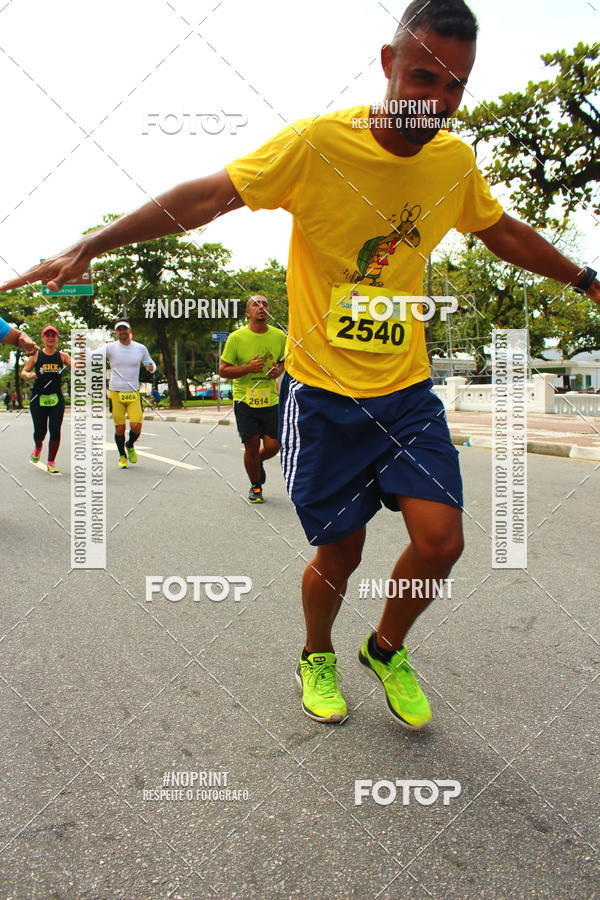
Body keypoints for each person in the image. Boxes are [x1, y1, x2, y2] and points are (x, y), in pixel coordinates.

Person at [3, 0, 599, 727]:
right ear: (387, 64)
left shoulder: (453, 161)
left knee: (442, 542)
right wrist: (97, 241)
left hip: (406, 393)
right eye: (423, 77)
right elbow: (213, 194)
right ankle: (317, 651)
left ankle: (385, 647)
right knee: (341, 553)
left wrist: (585, 281)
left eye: (455, 87)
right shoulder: (320, 145)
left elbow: (499, 228)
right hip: (321, 396)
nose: (437, 101)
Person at [219, 295, 286, 503]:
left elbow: (285, 361)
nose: (261, 307)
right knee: (251, 445)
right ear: (248, 312)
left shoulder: (279, 336)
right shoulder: (236, 338)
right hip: (245, 399)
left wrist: (278, 370)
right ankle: (256, 486)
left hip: (270, 399)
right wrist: (248, 368)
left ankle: (258, 463)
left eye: (265, 304)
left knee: (274, 445)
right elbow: (223, 370)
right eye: (255, 304)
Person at [105, 321, 156, 468]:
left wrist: (151, 367)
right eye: (119, 330)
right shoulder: (110, 348)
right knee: (120, 428)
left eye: (124, 329)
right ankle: (122, 456)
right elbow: (92, 357)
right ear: (116, 333)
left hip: (133, 393)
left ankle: (130, 444)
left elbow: (150, 365)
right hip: (115, 393)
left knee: (136, 426)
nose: (122, 332)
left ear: (130, 331)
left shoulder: (140, 348)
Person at [21, 325, 72, 473]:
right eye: (47, 335)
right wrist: (29, 375)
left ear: (57, 338)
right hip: (38, 398)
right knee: (40, 431)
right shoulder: (36, 356)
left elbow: (77, 365)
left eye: (53, 335)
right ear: (43, 338)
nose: (50, 338)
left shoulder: (62, 356)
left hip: (56, 398)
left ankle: (51, 461)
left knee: (55, 430)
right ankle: (38, 448)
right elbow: (23, 372)